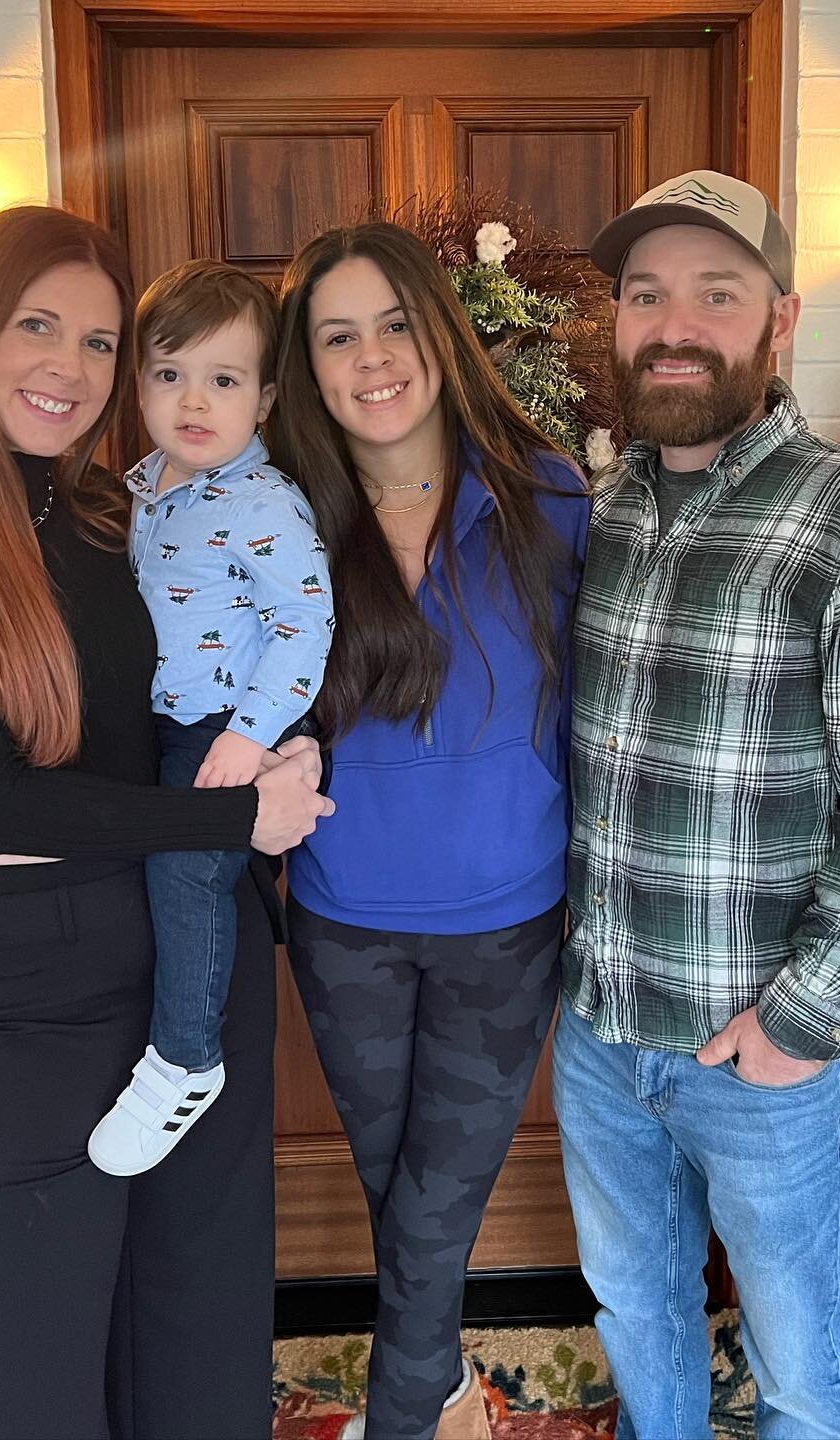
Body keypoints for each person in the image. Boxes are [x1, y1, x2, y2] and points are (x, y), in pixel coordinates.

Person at [0, 205, 331, 1440]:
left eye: (98, 344)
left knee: (200, 1332)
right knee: (30, 1365)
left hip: (195, 950)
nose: (70, 369)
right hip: (29, 971)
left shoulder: (108, 521)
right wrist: (235, 819)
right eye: (39, 326)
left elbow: (219, 677)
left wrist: (263, 773)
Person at [553, 170, 840, 1440]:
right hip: (604, 1029)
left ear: (780, 324)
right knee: (638, 1311)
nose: (674, 324)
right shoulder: (603, 508)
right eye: (646, 294)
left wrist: (801, 1023)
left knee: (795, 1347)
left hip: (764, 1048)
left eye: (715, 294)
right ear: (617, 322)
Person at [269, 221, 589, 1440]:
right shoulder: (278, 518)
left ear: (442, 335)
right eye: (338, 335)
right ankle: (448, 1384)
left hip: (506, 925)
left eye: (395, 323)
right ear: (309, 364)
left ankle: (404, 1417)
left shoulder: (546, 495)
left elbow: (604, 698)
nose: (374, 357)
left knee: (437, 1203)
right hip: (345, 921)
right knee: (397, 1188)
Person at [89, 259, 332, 1176]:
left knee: (189, 874)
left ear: (264, 398)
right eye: (168, 374)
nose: (194, 400)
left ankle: (187, 1059)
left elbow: (306, 625)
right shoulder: (141, 483)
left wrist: (247, 738)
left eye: (223, 380)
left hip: (222, 726)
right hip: (147, 722)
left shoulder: (264, 503)